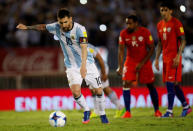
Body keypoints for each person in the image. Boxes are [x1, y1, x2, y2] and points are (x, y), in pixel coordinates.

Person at [16, 8, 109, 124]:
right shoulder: (56, 27)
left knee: (99, 90)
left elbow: (85, 49)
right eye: (61, 22)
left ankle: (103, 115)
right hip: (71, 66)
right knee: (75, 92)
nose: (63, 25)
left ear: (70, 19)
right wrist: (27, 28)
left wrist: (84, 66)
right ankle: (86, 110)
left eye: (65, 22)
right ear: (58, 21)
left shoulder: (80, 29)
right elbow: (43, 27)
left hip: (88, 64)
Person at [116, 14, 162, 118]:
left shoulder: (145, 32)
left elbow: (151, 49)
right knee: (125, 83)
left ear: (136, 23)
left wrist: (142, 63)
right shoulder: (123, 33)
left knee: (150, 84)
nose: (128, 25)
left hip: (144, 61)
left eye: (130, 23)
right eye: (127, 23)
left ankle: (157, 111)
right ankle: (127, 112)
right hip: (130, 60)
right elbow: (121, 51)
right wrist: (120, 66)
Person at [155, 2, 192, 117]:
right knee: (174, 85)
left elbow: (183, 40)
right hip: (165, 58)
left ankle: (169, 111)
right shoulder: (159, 25)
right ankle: (186, 106)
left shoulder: (176, 23)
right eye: (162, 10)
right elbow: (160, 43)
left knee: (170, 84)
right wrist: (156, 59)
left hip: (174, 58)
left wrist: (178, 56)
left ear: (170, 11)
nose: (163, 12)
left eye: (165, 10)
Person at [87, 44, 125, 118]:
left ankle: (120, 108)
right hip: (92, 70)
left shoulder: (89, 48)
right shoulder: (75, 48)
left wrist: (103, 73)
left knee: (105, 89)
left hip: (100, 69)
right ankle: (97, 111)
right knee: (92, 89)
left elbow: (100, 59)